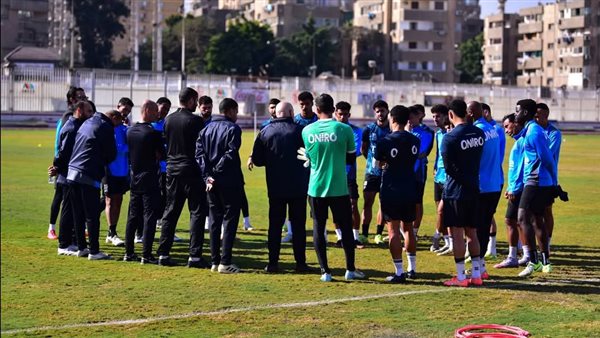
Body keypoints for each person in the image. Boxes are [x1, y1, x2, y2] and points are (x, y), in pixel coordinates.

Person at [299, 93, 365, 282]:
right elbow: (351, 159)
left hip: (316, 188)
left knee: (319, 228)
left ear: (316, 109)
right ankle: (350, 270)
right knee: (345, 228)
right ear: (333, 109)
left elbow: (311, 158)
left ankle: (325, 271)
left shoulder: (307, 131)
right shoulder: (344, 129)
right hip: (339, 187)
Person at [250, 101, 311, 273]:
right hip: (298, 185)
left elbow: (258, 160)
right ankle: (300, 263)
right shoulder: (301, 131)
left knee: (275, 226)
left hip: (275, 186)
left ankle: (273, 263)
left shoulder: (265, 131)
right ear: (292, 112)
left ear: (276, 113)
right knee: (298, 226)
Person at [156, 88, 209, 268]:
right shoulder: (195, 121)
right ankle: (194, 256)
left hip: (172, 170)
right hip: (191, 170)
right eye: (196, 101)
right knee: (197, 212)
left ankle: (163, 254)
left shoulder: (168, 119)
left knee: (170, 212)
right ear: (192, 100)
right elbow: (203, 147)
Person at [196, 98, 244, 274]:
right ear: (230, 111)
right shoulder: (233, 129)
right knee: (230, 220)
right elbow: (231, 153)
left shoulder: (206, 129)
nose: (237, 115)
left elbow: (199, 155)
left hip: (211, 182)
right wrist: (215, 172)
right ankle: (225, 261)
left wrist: (208, 175)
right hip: (229, 180)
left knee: (214, 220)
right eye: (236, 112)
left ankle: (215, 261)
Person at [441, 99, 485, 287]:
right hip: (474, 188)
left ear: (451, 114)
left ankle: (460, 277)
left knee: (457, 234)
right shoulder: (479, 133)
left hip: (456, 192)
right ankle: (476, 275)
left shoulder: (449, 138)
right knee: (472, 233)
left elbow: (449, 168)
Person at [374, 105, 420, 283]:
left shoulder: (384, 141)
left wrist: (386, 163)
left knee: (393, 230)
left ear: (392, 119)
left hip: (391, 189)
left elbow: (378, 164)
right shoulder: (414, 140)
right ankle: (412, 268)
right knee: (408, 228)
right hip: (410, 188)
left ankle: (399, 272)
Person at [67, 109, 118, 260]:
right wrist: (102, 163)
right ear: (113, 118)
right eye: (118, 122)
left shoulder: (87, 122)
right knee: (92, 214)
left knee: (78, 213)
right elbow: (112, 153)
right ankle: (94, 251)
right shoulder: (105, 126)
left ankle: (82, 247)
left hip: (72, 172)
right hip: (88, 173)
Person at [515, 99, 557, 277]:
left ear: (525, 112)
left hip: (536, 181)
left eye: (517, 111)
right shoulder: (530, 130)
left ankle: (533, 261)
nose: (515, 113)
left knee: (522, 218)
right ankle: (544, 261)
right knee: (537, 220)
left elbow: (547, 158)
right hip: (536, 181)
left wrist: (555, 183)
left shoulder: (534, 132)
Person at [123, 100, 165, 264]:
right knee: (149, 217)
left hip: (135, 177)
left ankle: (129, 252)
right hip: (150, 178)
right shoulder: (153, 133)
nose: (158, 114)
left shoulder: (130, 131)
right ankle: (146, 254)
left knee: (133, 216)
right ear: (147, 110)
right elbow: (161, 154)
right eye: (155, 111)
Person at [51, 100, 94, 255]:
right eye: (89, 111)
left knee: (73, 209)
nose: (91, 115)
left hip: (70, 174)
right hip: (67, 175)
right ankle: (64, 245)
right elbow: (63, 153)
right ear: (80, 110)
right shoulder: (71, 128)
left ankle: (72, 241)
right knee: (68, 210)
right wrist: (58, 167)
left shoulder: (76, 125)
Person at [468, 101, 503, 280]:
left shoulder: (476, 132)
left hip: (480, 186)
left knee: (475, 228)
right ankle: (481, 266)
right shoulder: (493, 130)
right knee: (484, 225)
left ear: (471, 113)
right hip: (494, 184)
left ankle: (477, 269)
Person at [48, 86, 86, 240]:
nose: (83, 99)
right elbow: (61, 142)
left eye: (84, 96)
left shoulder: (80, 117)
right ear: (72, 99)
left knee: (71, 198)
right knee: (60, 196)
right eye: (80, 96)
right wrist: (58, 164)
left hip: (73, 162)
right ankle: (52, 228)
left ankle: (76, 228)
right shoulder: (68, 117)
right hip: (64, 163)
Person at [281, 91, 318, 243]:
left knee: (315, 202)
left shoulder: (318, 120)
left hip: (316, 167)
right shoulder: (294, 121)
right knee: (295, 201)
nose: (304, 107)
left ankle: (319, 232)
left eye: (307, 104)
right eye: (301, 104)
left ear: (312, 103)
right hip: (298, 168)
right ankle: (291, 232)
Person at [494, 113, 527, 269]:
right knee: (519, 221)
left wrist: (514, 187)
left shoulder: (522, 142)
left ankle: (515, 256)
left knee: (512, 220)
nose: (506, 130)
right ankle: (524, 255)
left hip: (520, 188)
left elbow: (522, 168)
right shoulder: (519, 141)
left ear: (516, 123)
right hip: (516, 187)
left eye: (507, 126)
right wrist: (510, 186)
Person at [332, 101, 363, 249]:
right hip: (334, 175)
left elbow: (355, 151)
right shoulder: (331, 130)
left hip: (349, 175)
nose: (343, 117)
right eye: (340, 114)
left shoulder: (356, 131)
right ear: (335, 114)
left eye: (345, 114)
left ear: (349, 114)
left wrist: (337, 152)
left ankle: (355, 236)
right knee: (335, 207)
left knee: (353, 205)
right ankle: (339, 237)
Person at [103, 98, 133, 247]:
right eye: (123, 111)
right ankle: (111, 232)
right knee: (108, 200)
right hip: (109, 171)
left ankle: (112, 231)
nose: (125, 114)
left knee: (118, 200)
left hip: (122, 172)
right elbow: (116, 150)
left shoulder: (125, 128)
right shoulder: (107, 129)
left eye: (128, 111)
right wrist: (129, 148)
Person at [360, 100, 390, 245]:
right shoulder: (369, 129)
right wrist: (373, 163)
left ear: (387, 111)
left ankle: (378, 234)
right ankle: (364, 234)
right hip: (371, 173)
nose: (380, 113)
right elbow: (363, 149)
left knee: (383, 204)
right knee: (367, 203)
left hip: (387, 173)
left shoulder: (391, 129)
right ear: (375, 112)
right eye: (377, 111)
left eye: (382, 111)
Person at [535, 102, 562, 251]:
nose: (535, 118)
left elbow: (547, 156)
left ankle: (547, 243)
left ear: (545, 116)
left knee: (547, 211)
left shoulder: (554, 133)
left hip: (548, 179)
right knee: (532, 213)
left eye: (538, 116)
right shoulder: (534, 130)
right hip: (532, 178)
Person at [482, 103, 506, 258]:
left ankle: (490, 248)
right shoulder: (494, 129)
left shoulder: (494, 130)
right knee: (487, 214)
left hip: (491, 176)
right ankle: (490, 248)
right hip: (493, 176)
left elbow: (498, 155)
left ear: (485, 112)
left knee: (486, 214)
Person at [407, 104, 434, 238]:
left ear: (420, 115)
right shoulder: (406, 130)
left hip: (418, 171)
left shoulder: (426, 132)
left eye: (411, 117)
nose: (409, 120)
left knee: (417, 202)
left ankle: (414, 231)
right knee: (405, 201)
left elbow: (421, 152)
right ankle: (406, 230)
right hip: (404, 172)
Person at [147, 97, 172, 243]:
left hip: (166, 168)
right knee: (151, 198)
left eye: (167, 110)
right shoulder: (149, 124)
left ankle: (162, 223)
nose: (164, 112)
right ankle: (145, 229)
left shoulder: (167, 124)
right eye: (163, 108)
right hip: (151, 168)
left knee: (167, 197)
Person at [429, 104, 453, 255]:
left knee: (443, 211)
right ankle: (447, 241)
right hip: (438, 177)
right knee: (441, 210)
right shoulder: (438, 133)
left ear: (446, 116)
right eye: (433, 116)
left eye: (438, 116)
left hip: (449, 178)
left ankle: (437, 237)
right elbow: (438, 153)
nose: (435, 119)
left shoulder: (452, 133)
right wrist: (435, 167)